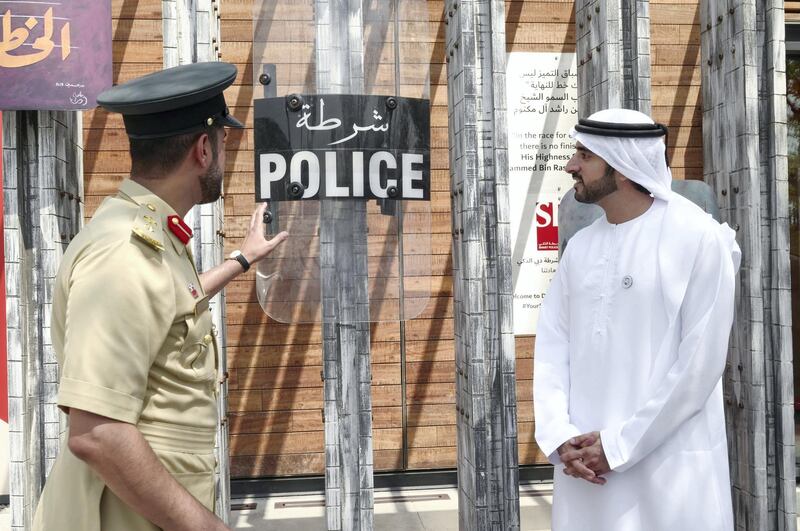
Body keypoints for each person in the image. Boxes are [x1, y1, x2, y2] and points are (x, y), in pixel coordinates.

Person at [32, 62, 288, 531]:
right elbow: (97, 434)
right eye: (225, 143)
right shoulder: (124, 254)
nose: (228, 156)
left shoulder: (150, 234)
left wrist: (243, 260)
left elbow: (172, 305)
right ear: (204, 149)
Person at [533, 108, 740, 531]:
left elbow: (698, 367)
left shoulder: (698, 238)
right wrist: (559, 437)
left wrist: (618, 445)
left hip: (667, 468)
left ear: (622, 165)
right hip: (586, 469)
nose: (571, 165)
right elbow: (552, 347)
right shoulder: (582, 248)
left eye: (584, 155)